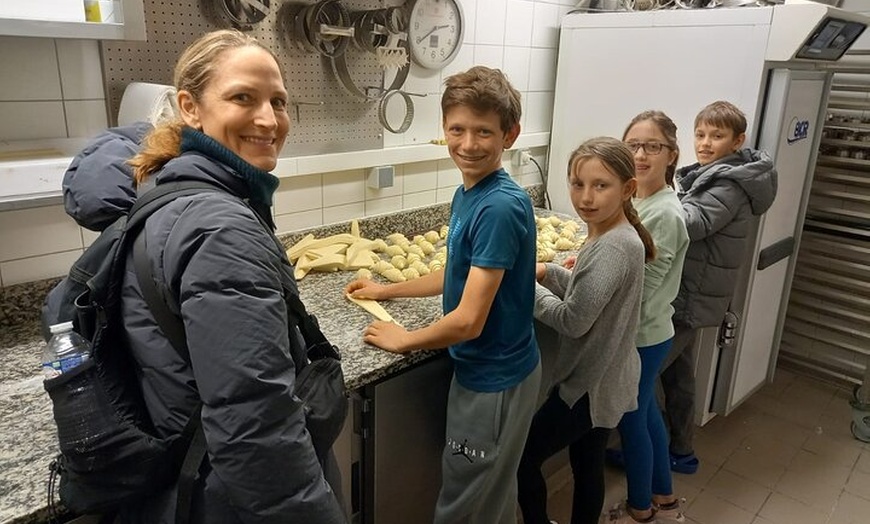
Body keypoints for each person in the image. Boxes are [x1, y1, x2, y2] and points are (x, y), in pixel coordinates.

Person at [78, 29, 344, 522]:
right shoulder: (219, 229)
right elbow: (256, 426)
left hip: (186, 474)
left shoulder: (171, 192)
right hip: (227, 499)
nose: (269, 119)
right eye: (243, 97)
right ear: (190, 107)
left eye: (279, 101)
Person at [344, 66, 541, 524]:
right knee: (489, 494)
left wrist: (404, 339)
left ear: (509, 134)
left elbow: (469, 320)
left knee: (464, 506)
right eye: (458, 129)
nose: (468, 144)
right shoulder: (469, 193)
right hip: (494, 373)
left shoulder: (498, 206)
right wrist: (386, 289)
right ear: (444, 129)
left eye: (483, 132)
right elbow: (454, 271)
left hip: (494, 382)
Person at [517, 137, 653, 524]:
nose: (586, 197)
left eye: (600, 185)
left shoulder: (612, 246)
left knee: (523, 459)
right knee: (587, 464)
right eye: (577, 184)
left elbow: (574, 319)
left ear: (627, 189)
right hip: (612, 376)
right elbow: (591, 291)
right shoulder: (615, 234)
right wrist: (549, 271)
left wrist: (525, 290)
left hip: (589, 387)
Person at [661, 100, 777, 474]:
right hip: (693, 291)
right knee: (678, 376)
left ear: (737, 140)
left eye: (717, 135)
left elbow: (690, 224)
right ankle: (681, 450)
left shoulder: (727, 183)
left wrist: (648, 198)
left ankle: (646, 459)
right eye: (700, 134)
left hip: (691, 296)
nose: (706, 143)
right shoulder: (719, 174)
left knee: (641, 380)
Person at [603, 111, 690, 523]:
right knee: (647, 413)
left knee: (632, 421)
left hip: (641, 334)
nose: (639, 154)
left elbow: (640, 289)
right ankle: (665, 499)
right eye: (632, 145)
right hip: (650, 331)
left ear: (671, 155)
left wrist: (581, 289)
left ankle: (639, 509)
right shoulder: (641, 200)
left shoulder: (665, 214)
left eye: (651, 146)